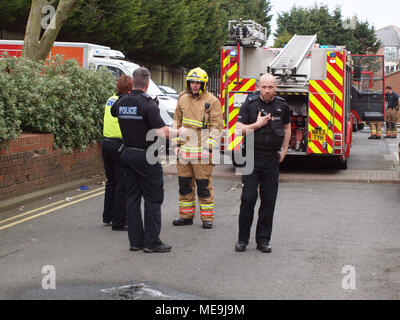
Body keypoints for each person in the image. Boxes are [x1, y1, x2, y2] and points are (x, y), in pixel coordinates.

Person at [111, 67, 181, 253]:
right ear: (148, 83)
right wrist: (180, 132)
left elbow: (114, 112)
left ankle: (135, 242)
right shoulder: (148, 104)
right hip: (146, 156)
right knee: (153, 199)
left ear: (133, 82)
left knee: (132, 198)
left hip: (127, 154)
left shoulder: (121, 102)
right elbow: (162, 132)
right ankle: (151, 242)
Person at [234, 73, 291, 253]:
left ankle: (263, 240)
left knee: (268, 201)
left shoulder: (282, 105)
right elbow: (238, 130)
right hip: (251, 157)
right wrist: (256, 125)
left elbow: (287, 127)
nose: (267, 90)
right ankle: (242, 239)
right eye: (264, 87)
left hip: (271, 160)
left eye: (270, 87)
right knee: (248, 199)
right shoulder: (249, 104)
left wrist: (284, 149)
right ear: (259, 86)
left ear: (276, 87)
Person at [171, 67, 223, 229]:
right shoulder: (182, 99)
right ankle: (186, 216)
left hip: (202, 152)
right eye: (192, 82)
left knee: (203, 186)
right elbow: (176, 123)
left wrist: (209, 148)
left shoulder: (212, 101)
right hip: (184, 152)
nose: (194, 85)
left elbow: (217, 127)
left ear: (203, 84)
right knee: (184, 185)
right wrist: (176, 145)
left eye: (198, 83)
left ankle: (207, 218)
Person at [101, 75, 131, 230]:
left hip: (105, 143)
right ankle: (119, 221)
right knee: (122, 184)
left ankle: (108, 216)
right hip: (119, 144)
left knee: (111, 181)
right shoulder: (125, 102)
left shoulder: (110, 99)